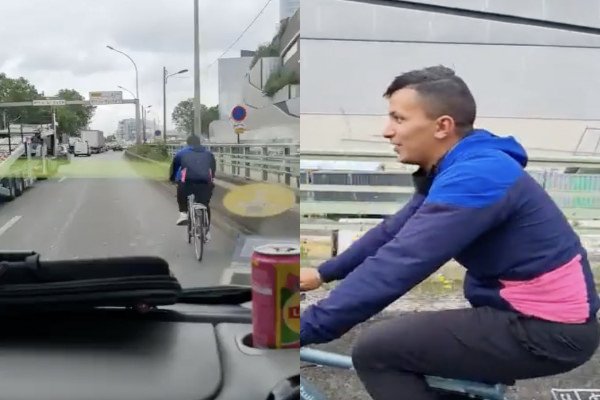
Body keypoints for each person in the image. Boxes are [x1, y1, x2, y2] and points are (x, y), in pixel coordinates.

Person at [300, 66, 600, 400]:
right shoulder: (462, 165)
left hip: (548, 329)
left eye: (398, 119)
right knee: (420, 350)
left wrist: (305, 327)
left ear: (442, 126)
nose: (387, 131)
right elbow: (391, 233)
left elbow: (402, 261)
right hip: (524, 317)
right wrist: (322, 273)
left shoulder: (478, 175)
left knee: (377, 350)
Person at [169, 135, 216, 238]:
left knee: (181, 190)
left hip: (187, 183)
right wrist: (211, 181)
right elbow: (212, 170)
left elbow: (175, 168)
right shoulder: (209, 154)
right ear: (200, 143)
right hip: (204, 184)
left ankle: (184, 213)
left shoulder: (182, 153)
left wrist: (172, 179)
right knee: (205, 204)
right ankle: (206, 231)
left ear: (187, 143)